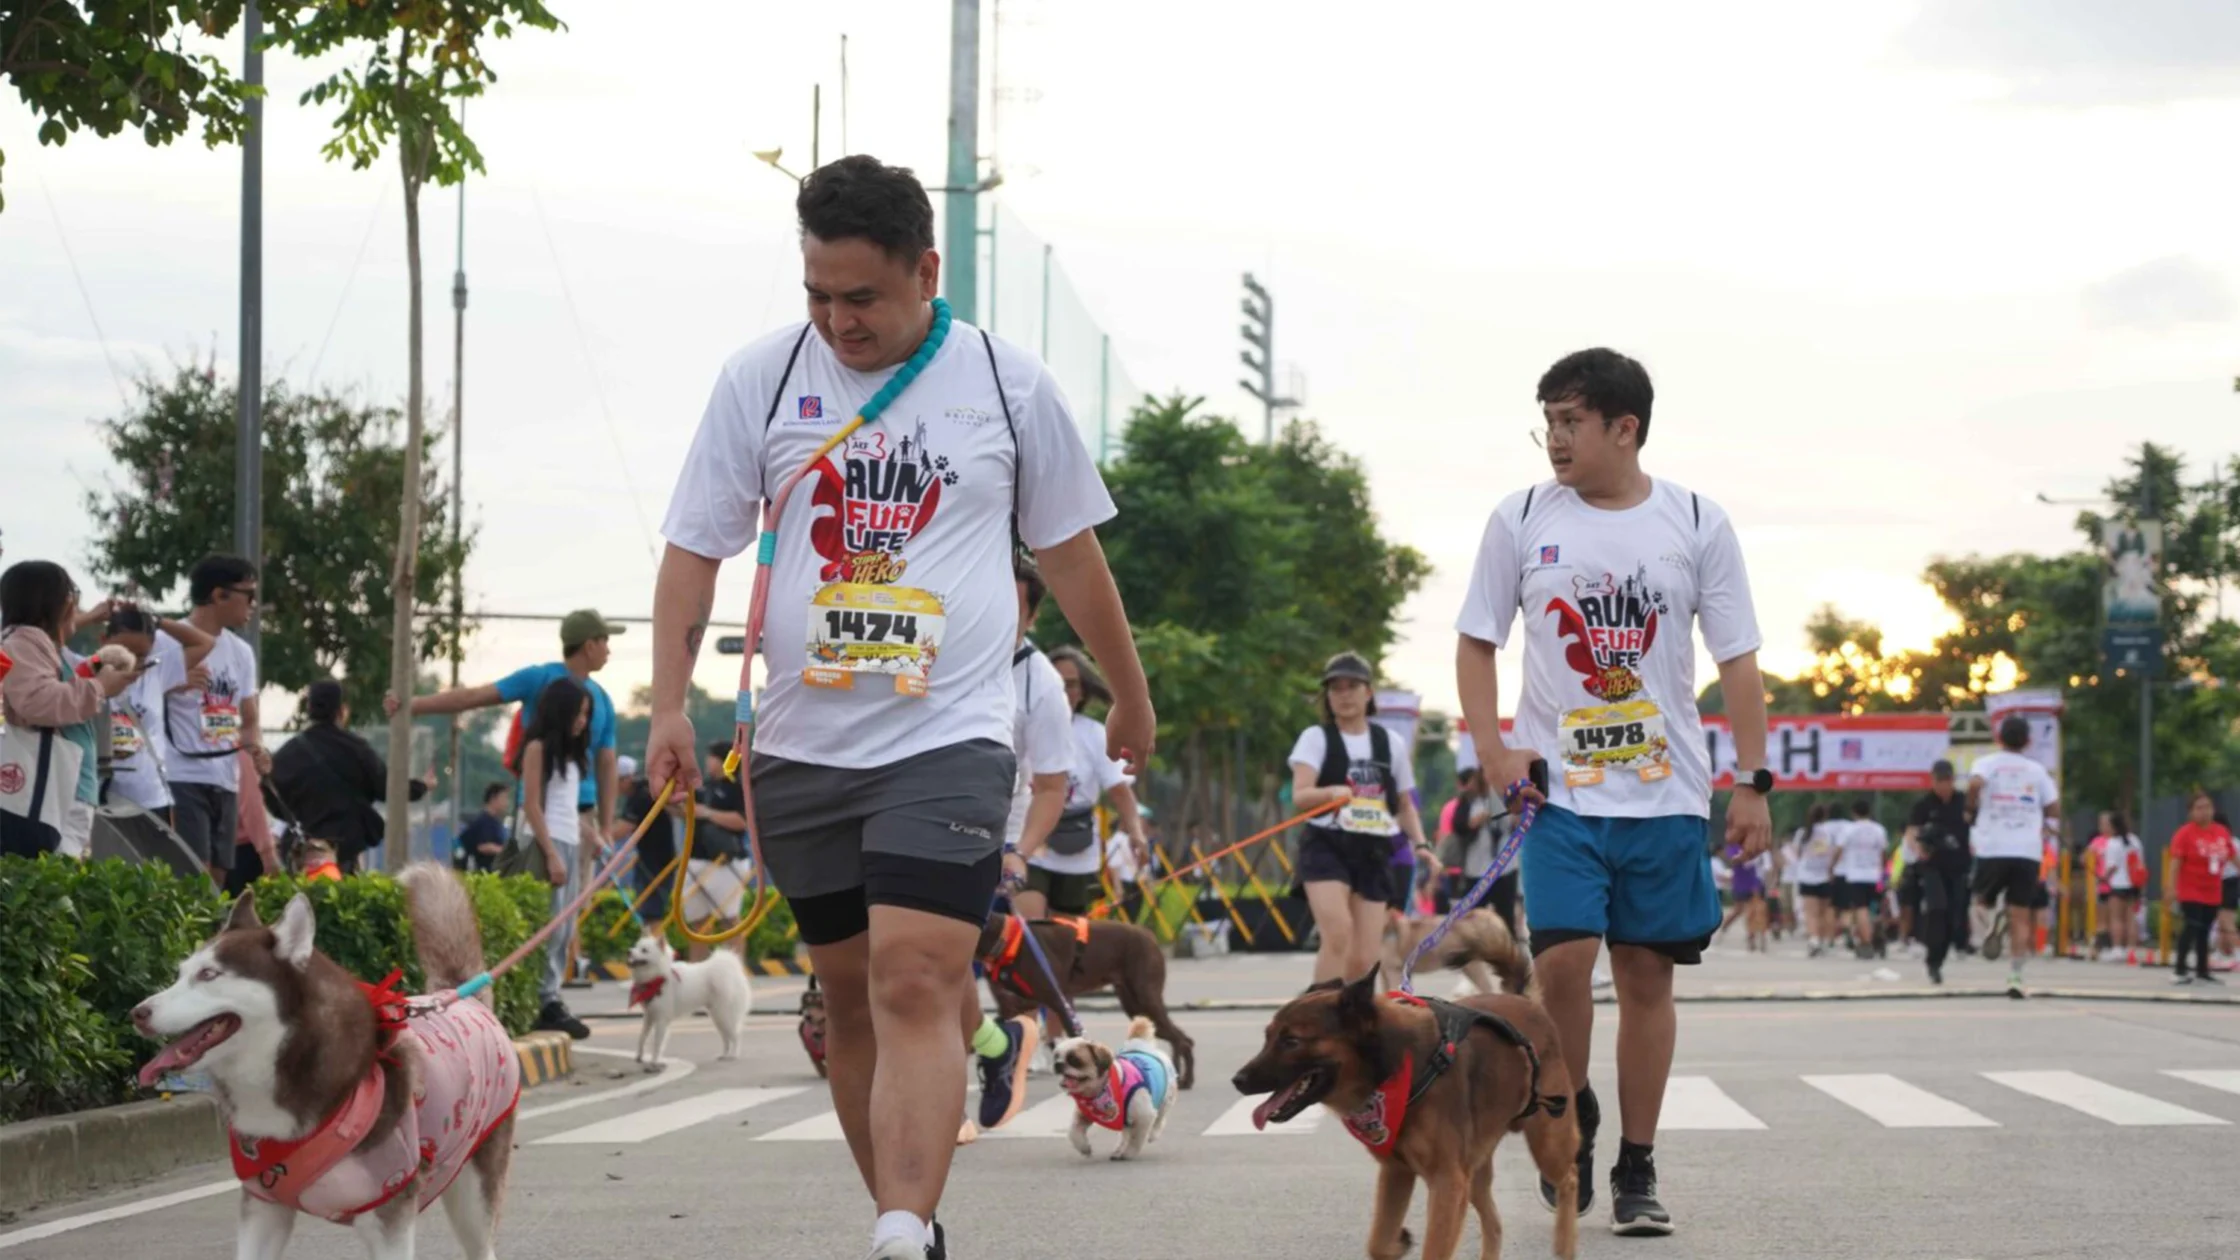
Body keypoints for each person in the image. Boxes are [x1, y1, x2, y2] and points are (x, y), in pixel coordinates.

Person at [642, 155, 1153, 1260]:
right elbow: (692, 549)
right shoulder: (761, 380)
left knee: (916, 974)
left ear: (926, 271)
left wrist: (1129, 694)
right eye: (817, 295)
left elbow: (1071, 555)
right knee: (848, 997)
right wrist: (669, 706)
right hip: (800, 745)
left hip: (948, 737)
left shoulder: (1007, 386)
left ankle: (896, 1230)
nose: (839, 321)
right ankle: (909, 1221)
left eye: (862, 297)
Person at [1455, 347, 1771, 1235]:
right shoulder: (1521, 517)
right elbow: (1477, 641)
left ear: (1624, 428)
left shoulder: (1696, 521)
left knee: (1644, 976)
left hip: (1666, 796)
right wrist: (1495, 749)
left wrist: (1752, 782)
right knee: (1561, 966)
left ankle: (1638, 1162)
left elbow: (1738, 660)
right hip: (1560, 798)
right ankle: (1570, 1121)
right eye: (1547, 423)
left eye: (1571, 422)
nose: (1555, 440)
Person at [960, 552, 1071, 1145]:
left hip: (992, 838)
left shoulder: (1041, 683)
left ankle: (967, 1075)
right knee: (915, 967)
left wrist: (1019, 850)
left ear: (1030, 616)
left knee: (937, 965)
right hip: (919, 818)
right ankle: (994, 1044)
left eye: (1011, 604)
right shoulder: (943, 647)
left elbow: (1051, 786)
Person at [390, 607, 625, 866]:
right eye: (605, 642)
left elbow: (606, 763)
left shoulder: (603, 698)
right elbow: (473, 697)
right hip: (538, 811)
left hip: (581, 817)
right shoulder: (539, 678)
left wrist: (606, 826)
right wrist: (412, 705)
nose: (608, 651)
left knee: (576, 889)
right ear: (590, 646)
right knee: (536, 883)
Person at [1288, 651, 1431, 985]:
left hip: (1373, 848)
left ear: (1369, 692)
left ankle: (1349, 1013)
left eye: (1352, 686)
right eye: (1335, 688)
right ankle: (1319, 1010)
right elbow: (1300, 796)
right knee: (1338, 933)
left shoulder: (1390, 743)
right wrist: (1329, 794)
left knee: (1366, 956)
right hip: (1326, 844)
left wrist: (1422, 844)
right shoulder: (1316, 738)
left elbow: (1404, 803)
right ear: (1327, 696)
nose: (1344, 695)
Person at [0, 561, 137, 857]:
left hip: (59, 788)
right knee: (51, 875)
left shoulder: (33, 643)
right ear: (59, 602)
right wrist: (100, 687)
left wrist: (99, 670)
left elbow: (57, 690)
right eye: (72, 594)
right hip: (47, 791)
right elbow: (39, 702)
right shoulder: (24, 642)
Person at [163, 555, 270, 884]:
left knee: (219, 875)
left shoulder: (241, 652)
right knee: (192, 873)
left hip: (225, 778)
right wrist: (173, 681)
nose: (253, 605)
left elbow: (248, 720)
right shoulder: (167, 641)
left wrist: (257, 749)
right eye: (249, 595)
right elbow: (133, 694)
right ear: (219, 595)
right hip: (180, 774)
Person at [1027, 644, 1151, 921]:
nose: (1063, 691)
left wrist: (1136, 834)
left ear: (1082, 691)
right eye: (1056, 682)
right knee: (1031, 927)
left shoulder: (1095, 735)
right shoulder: (1024, 726)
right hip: (1030, 845)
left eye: (1071, 684)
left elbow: (1121, 793)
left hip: (1078, 850)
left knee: (1066, 936)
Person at [268, 680, 427, 873]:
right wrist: (422, 786)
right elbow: (388, 788)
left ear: (309, 709)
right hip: (343, 852)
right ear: (342, 711)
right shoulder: (357, 749)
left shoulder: (287, 754)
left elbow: (273, 797)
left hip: (303, 853)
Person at [517, 676, 596, 1036]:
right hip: (545, 843)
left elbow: (565, 806)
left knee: (565, 929)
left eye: (586, 714)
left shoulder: (573, 756)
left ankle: (551, 996)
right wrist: (551, 854)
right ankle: (543, 1000)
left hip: (568, 841)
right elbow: (532, 805)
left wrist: (589, 832)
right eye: (578, 713)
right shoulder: (537, 748)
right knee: (549, 927)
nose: (582, 721)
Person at [1967, 717, 2061, 998]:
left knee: (1979, 901)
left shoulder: (1986, 763)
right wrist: (2043, 822)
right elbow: (2054, 807)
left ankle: (1991, 922)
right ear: (2028, 741)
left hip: (1993, 847)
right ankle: (2016, 977)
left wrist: (1971, 809)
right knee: (2021, 916)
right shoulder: (2037, 770)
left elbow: (1974, 784)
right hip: (2027, 850)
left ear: (1999, 738)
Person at [96, 602, 216, 818]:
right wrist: (91, 616)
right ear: (103, 641)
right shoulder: (84, 671)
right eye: (122, 652)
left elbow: (205, 643)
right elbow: (56, 642)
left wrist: (156, 620)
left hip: (151, 799)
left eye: (141, 655)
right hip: (100, 797)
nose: (130, 662)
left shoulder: (156, 672)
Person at [683, 741, 753, 960]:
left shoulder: (737, 786)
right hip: (696, 859)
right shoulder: (705, 786)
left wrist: (708, 813)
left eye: (711, 757)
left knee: (728, 920)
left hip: (726, 861)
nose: (707, 762)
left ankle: (735, 970)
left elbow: (743, 821)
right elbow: (688, 813)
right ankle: (698, 970)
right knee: (697, 923)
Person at [2169, 791, 2234, 984]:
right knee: (2192, 926)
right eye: (2199, 808)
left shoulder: (2221, 832)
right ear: (2191, 812)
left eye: (2208, 807)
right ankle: (2180, 969)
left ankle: (2202, 971)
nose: (2204, 812)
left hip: (2212, 890)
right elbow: (2175, 862)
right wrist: (2171, 888)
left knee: (2204, 930)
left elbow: (2232, 855)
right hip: (2191, 889)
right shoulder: (2185, 833)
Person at [1835, 800, 1889, 959]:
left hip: (1855, 875)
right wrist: (1884, 873)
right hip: (1875, 875)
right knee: (1876, 907)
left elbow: (1839, 850)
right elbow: (1883, 854)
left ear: (1854, 813)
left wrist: (1832, 867)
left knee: (1861, 908)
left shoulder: (1849, 830)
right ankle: (1878, 929)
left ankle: (1866, 942)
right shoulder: (1879, 829)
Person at [1791, 805, 1838, 955]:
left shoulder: (1802, 833)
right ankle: (1823, 941)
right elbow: (1835, 852)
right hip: (1824, 876)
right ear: (1825, 816)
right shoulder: (1829, 832)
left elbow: (1796, 853)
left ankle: (1814, 939)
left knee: (1810, 913)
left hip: (1806, 876)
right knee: (1823, 912)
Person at [453, 782, 511, 873]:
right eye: (504, 798)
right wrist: (505, 852)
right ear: (493, 799)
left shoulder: (495, 822)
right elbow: (483, 847)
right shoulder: (483, 821)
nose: (507, 803)